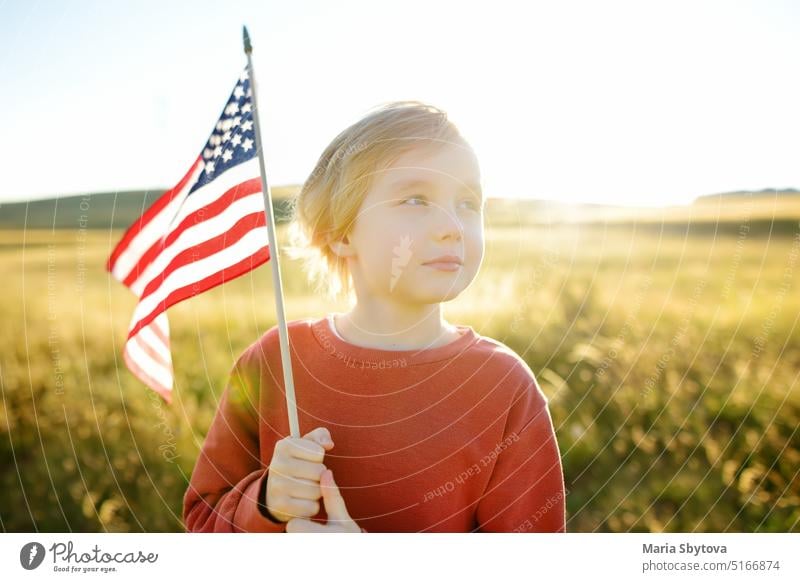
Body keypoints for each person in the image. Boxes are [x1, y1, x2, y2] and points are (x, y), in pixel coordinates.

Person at [182, 101, 566, 533]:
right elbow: (201, 520)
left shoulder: (505, 386)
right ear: (343, 233)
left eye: (468, 203)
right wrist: (266, 504)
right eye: (417, 199)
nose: (452, 226)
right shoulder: (275, 361)